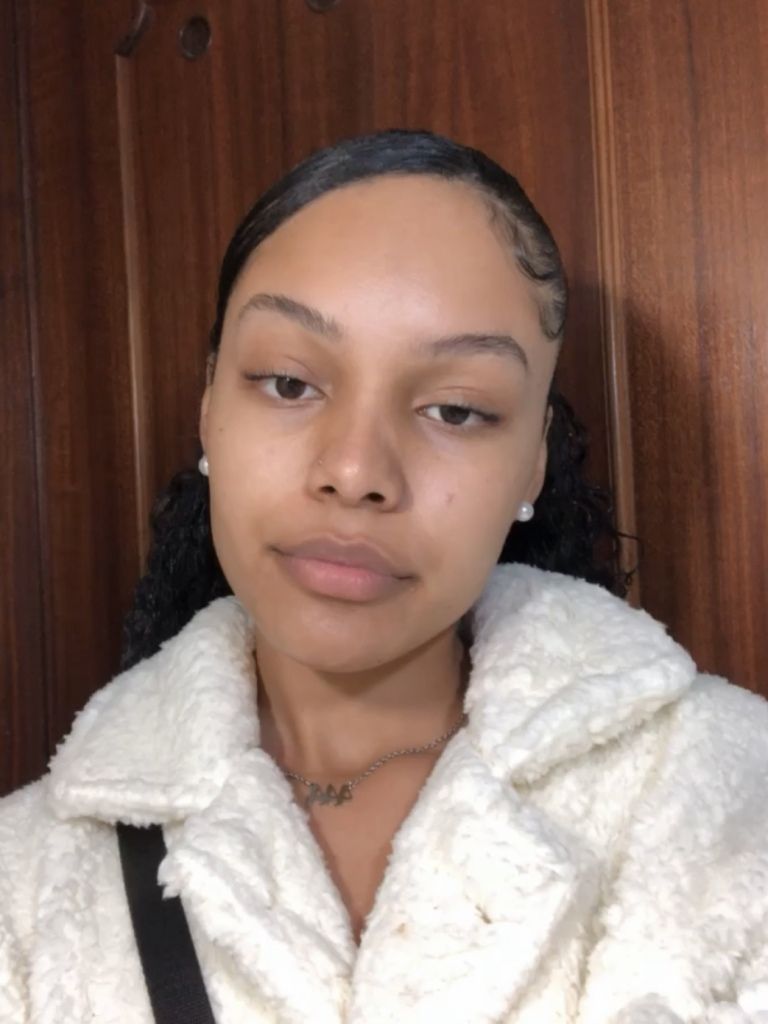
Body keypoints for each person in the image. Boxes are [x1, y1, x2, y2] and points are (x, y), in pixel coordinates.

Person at [1, 130, 766, 1024]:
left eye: (456, 409)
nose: (356, 469)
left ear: (532, 463)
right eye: (289, 384)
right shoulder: (26, 883)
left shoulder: (731, 798)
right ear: (209, 406)